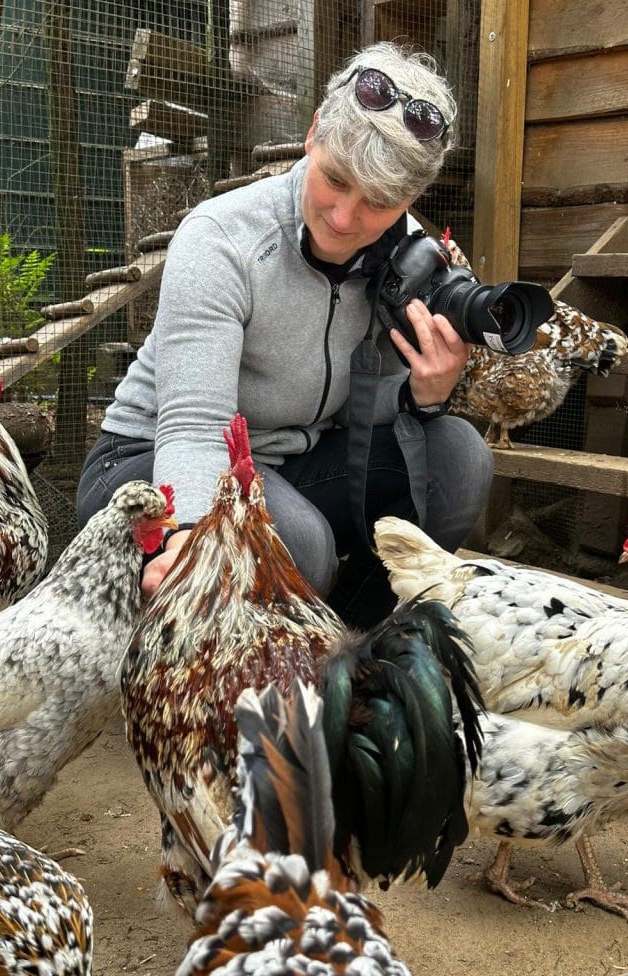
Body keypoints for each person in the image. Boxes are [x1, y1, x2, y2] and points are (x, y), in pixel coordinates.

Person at [76, 40, 494, 629]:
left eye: (378, 202)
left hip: (286, 461)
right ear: (314, 132)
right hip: (153, 458)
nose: (345, 219)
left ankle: (348, 655)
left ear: (411, 198)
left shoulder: (408, 257)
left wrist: (421, 395)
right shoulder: (223, 237)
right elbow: (195, 427)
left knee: (458, 459)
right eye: (335, 180)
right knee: (300, 544)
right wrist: (196, 537)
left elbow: (357, 419)